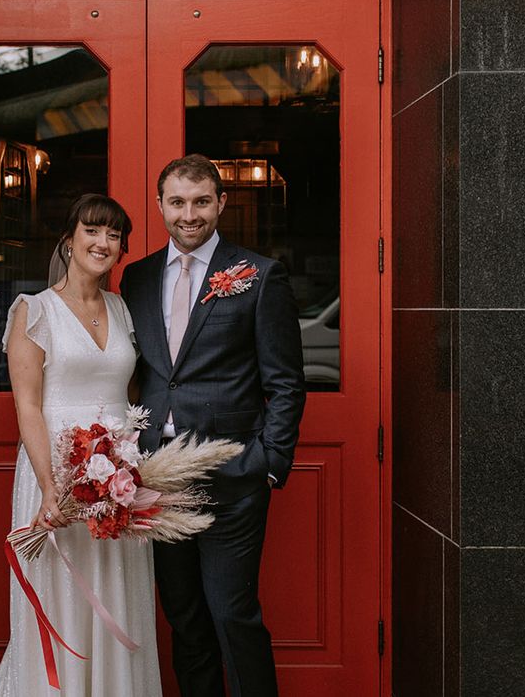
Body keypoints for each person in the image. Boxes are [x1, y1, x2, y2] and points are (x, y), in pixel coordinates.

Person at [120, 154, 306, 697]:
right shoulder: (136, 277)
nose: (189, 214)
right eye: (177, 202)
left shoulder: (258, 275)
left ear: (222, 203)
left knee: (232, 615)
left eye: (201, 201)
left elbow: (286, 382)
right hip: (156, 479)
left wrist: (267, 463)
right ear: (159, 207)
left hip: (231, 475)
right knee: (185, 619)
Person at [0, 194, 162, 697]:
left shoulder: (121, 308)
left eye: (114, 236)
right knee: (64, 596)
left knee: (116, 592)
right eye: (93, 231)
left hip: (118, 477)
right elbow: (27, 407)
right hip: (57, 472)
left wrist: (125, 465)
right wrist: (49, 488)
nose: (103, 243)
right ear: (69, 240)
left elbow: (129, 395)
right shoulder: (34, 310)